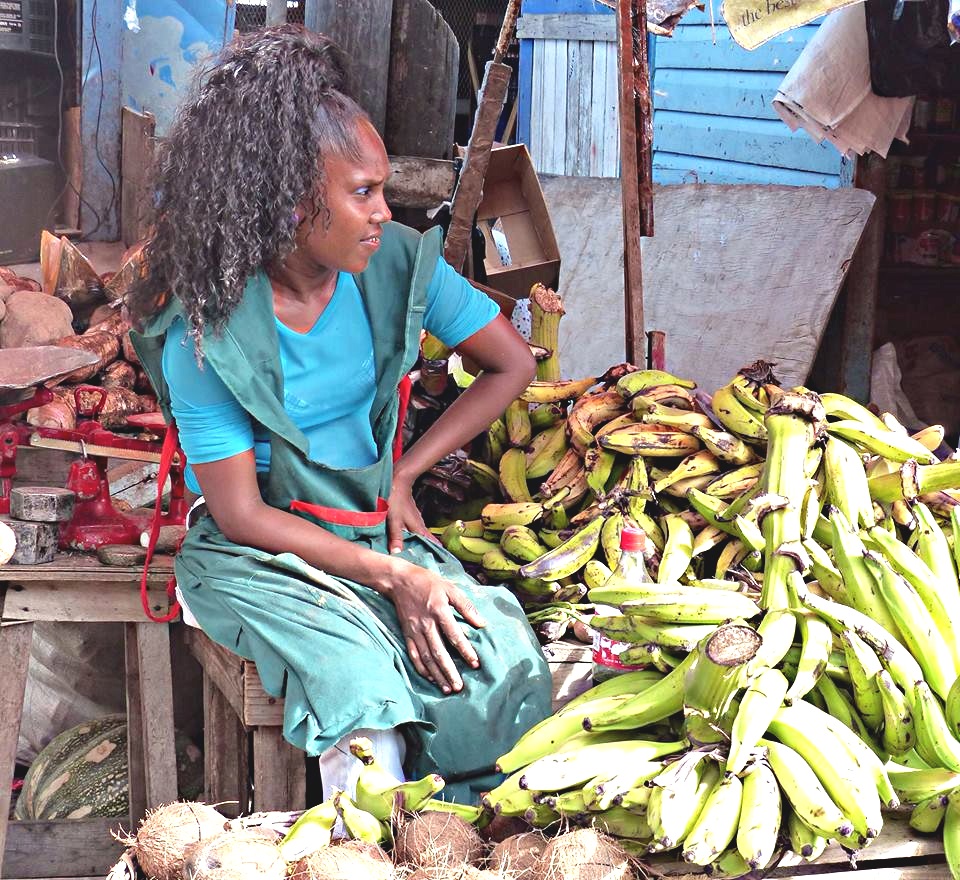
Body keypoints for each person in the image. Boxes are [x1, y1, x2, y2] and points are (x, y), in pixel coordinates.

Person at [128, 25, 552, 805]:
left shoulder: (394, 265)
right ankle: (363, 848)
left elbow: (512, 365)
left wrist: (405, 476)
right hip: (256, 552)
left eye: (383, 190)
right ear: (290, 201)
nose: (384, 213)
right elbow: (243, 513)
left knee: (495, 656)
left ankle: (467, 843)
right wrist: (389, 575)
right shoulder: (209, 330)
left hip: (366, 524)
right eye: (363, 192)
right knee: (359, 688)